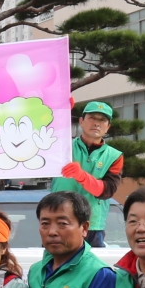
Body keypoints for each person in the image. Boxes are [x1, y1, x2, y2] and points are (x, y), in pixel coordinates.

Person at [51, 101, 124, 248]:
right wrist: (60, 112)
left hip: (92, 225)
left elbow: (106, 191)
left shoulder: (115, 156)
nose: (96, 123)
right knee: (56, 266)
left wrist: (82, 176)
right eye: (92, 118)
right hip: (59, 218)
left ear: (108, 127)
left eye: (102, 120)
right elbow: (42, 134)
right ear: (81, 121)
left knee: (91, 269)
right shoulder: (62, 145)